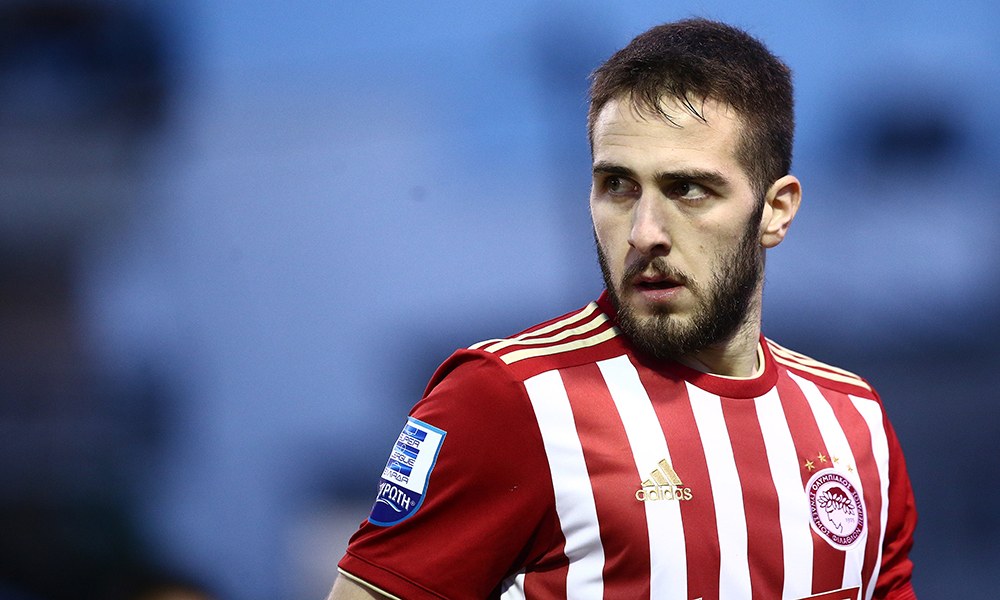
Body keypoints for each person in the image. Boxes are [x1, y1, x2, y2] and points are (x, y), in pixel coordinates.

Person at [328, 17, 917, 600]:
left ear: (776, 211)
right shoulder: (508, 399)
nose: (644, 232)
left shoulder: (853, 421)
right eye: (618, 185)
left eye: (688, 189)